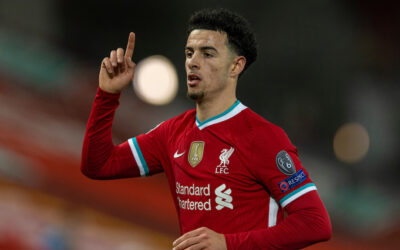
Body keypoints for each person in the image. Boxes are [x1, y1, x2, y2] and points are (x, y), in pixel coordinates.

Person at [81, 8, 332, 250]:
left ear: (236, 66)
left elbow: (315, 223)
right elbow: (98, 164)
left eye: (207, 54)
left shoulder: (263, 137)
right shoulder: (172, 133)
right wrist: (107, 95)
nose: (193, 62)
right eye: (189, 53)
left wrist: (228, 244)